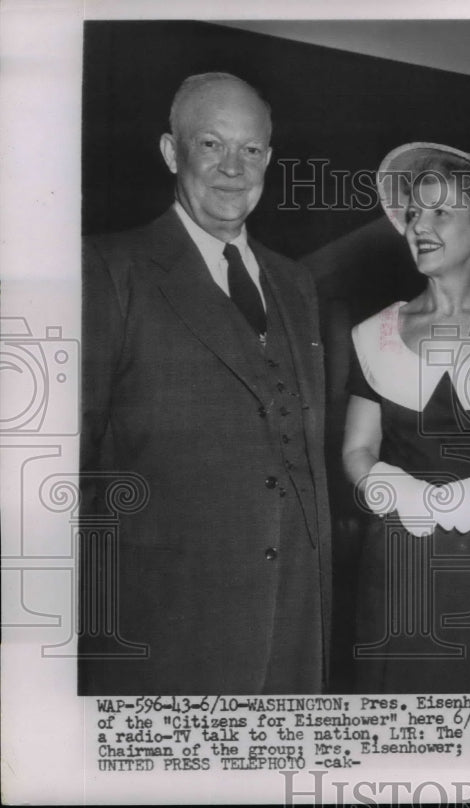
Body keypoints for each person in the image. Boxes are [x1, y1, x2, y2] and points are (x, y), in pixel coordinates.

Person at [80, 73, 332, 694]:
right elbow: (66, 474)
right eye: (211, 144)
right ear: (172, 152)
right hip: (166, 631)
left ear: (268, 159)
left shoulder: (297, 283)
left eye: (250, 150)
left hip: (293, 629)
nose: (232, 168)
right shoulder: (108, 269)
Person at [342, 142, 470, 693]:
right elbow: (357, 449)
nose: (420, 226)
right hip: (397, 565)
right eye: (413, 213)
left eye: (440, 212)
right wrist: (401, 494)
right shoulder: (373, 334)